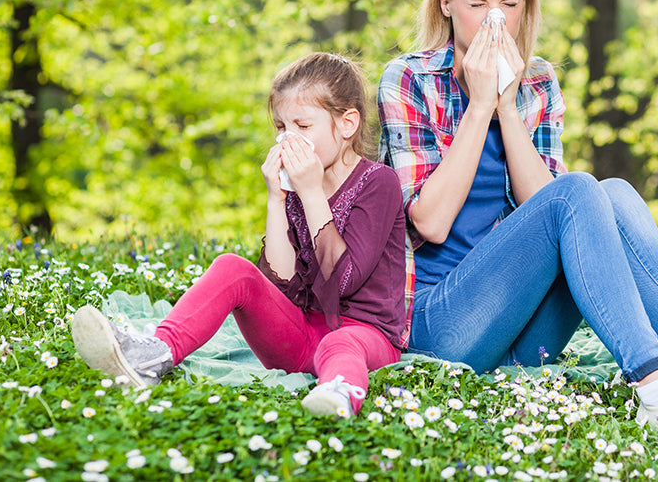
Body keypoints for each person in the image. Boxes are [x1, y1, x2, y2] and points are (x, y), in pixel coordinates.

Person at [377, 0, 658, 440]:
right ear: (446, 4)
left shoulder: (537, 81)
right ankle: (656, 387)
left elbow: (558, 213)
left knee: (614, 194)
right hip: (439, 325)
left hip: (520, 329)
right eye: (477, 3)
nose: (496, 19)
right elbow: (428, 220)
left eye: (510, 3)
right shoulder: (409, 78)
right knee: (583, 188)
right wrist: (478, 104)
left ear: (526, 5)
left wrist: (508, 106)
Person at [73, 52, 410, 417]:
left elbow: (342, 280)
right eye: (282, 128)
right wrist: (276, 197)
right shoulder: (296, 189)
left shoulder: (378, 182)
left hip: (366, 337)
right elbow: (280, 286)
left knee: (341, 343)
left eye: (303, 126)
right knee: (233, 267)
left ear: (347, 124)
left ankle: (338, 394)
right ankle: (152, 356)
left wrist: (311, 192)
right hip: (301, 340)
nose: (288, 139)